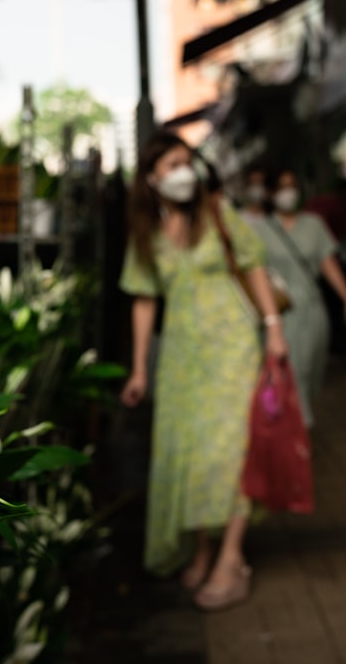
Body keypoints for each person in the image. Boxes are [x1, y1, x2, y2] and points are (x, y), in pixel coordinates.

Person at [119, 131, 287, 611]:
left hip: (234, 346)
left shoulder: (217, 212)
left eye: (187, 161)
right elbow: (143, 301)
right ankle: (202, 548)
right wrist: (138, 370)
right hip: (180, 358)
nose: (183, 172)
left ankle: (231, 559)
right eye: (172, 164)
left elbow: (254, 266)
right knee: (192, 454)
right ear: (152, 177)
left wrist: (273, 330)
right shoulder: (146, 233)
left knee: (232, 449)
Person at [252, 167, 346, 428]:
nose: (288, 193)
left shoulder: (314, 225)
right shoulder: (258, 230)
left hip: (312, 310)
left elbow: (328, 263)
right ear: (271, 193)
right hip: (278, 312)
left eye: (293, 186)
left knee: (311, 369)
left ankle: (295, 424)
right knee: (290, 372)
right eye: (282, 187)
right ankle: (297, 430)